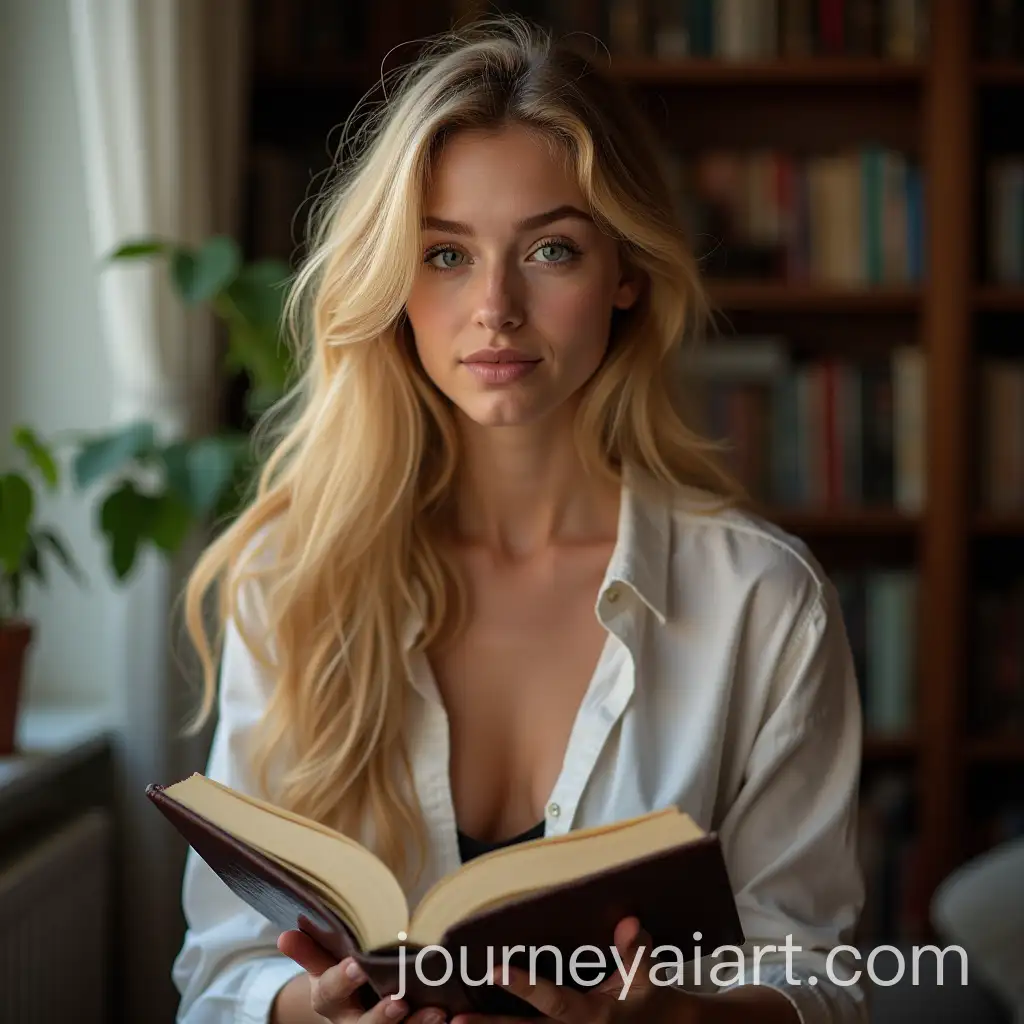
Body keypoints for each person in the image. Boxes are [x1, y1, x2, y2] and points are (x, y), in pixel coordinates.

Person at [171, 16, 868, 1024]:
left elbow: (827, 981)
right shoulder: (294, 578)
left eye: (549, 248)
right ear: (391, 284)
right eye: (444, 255)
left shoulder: (760, 601)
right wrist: (296, 1009)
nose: (494, 307)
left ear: (625, 273)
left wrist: (666, 1021)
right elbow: (218, 967)